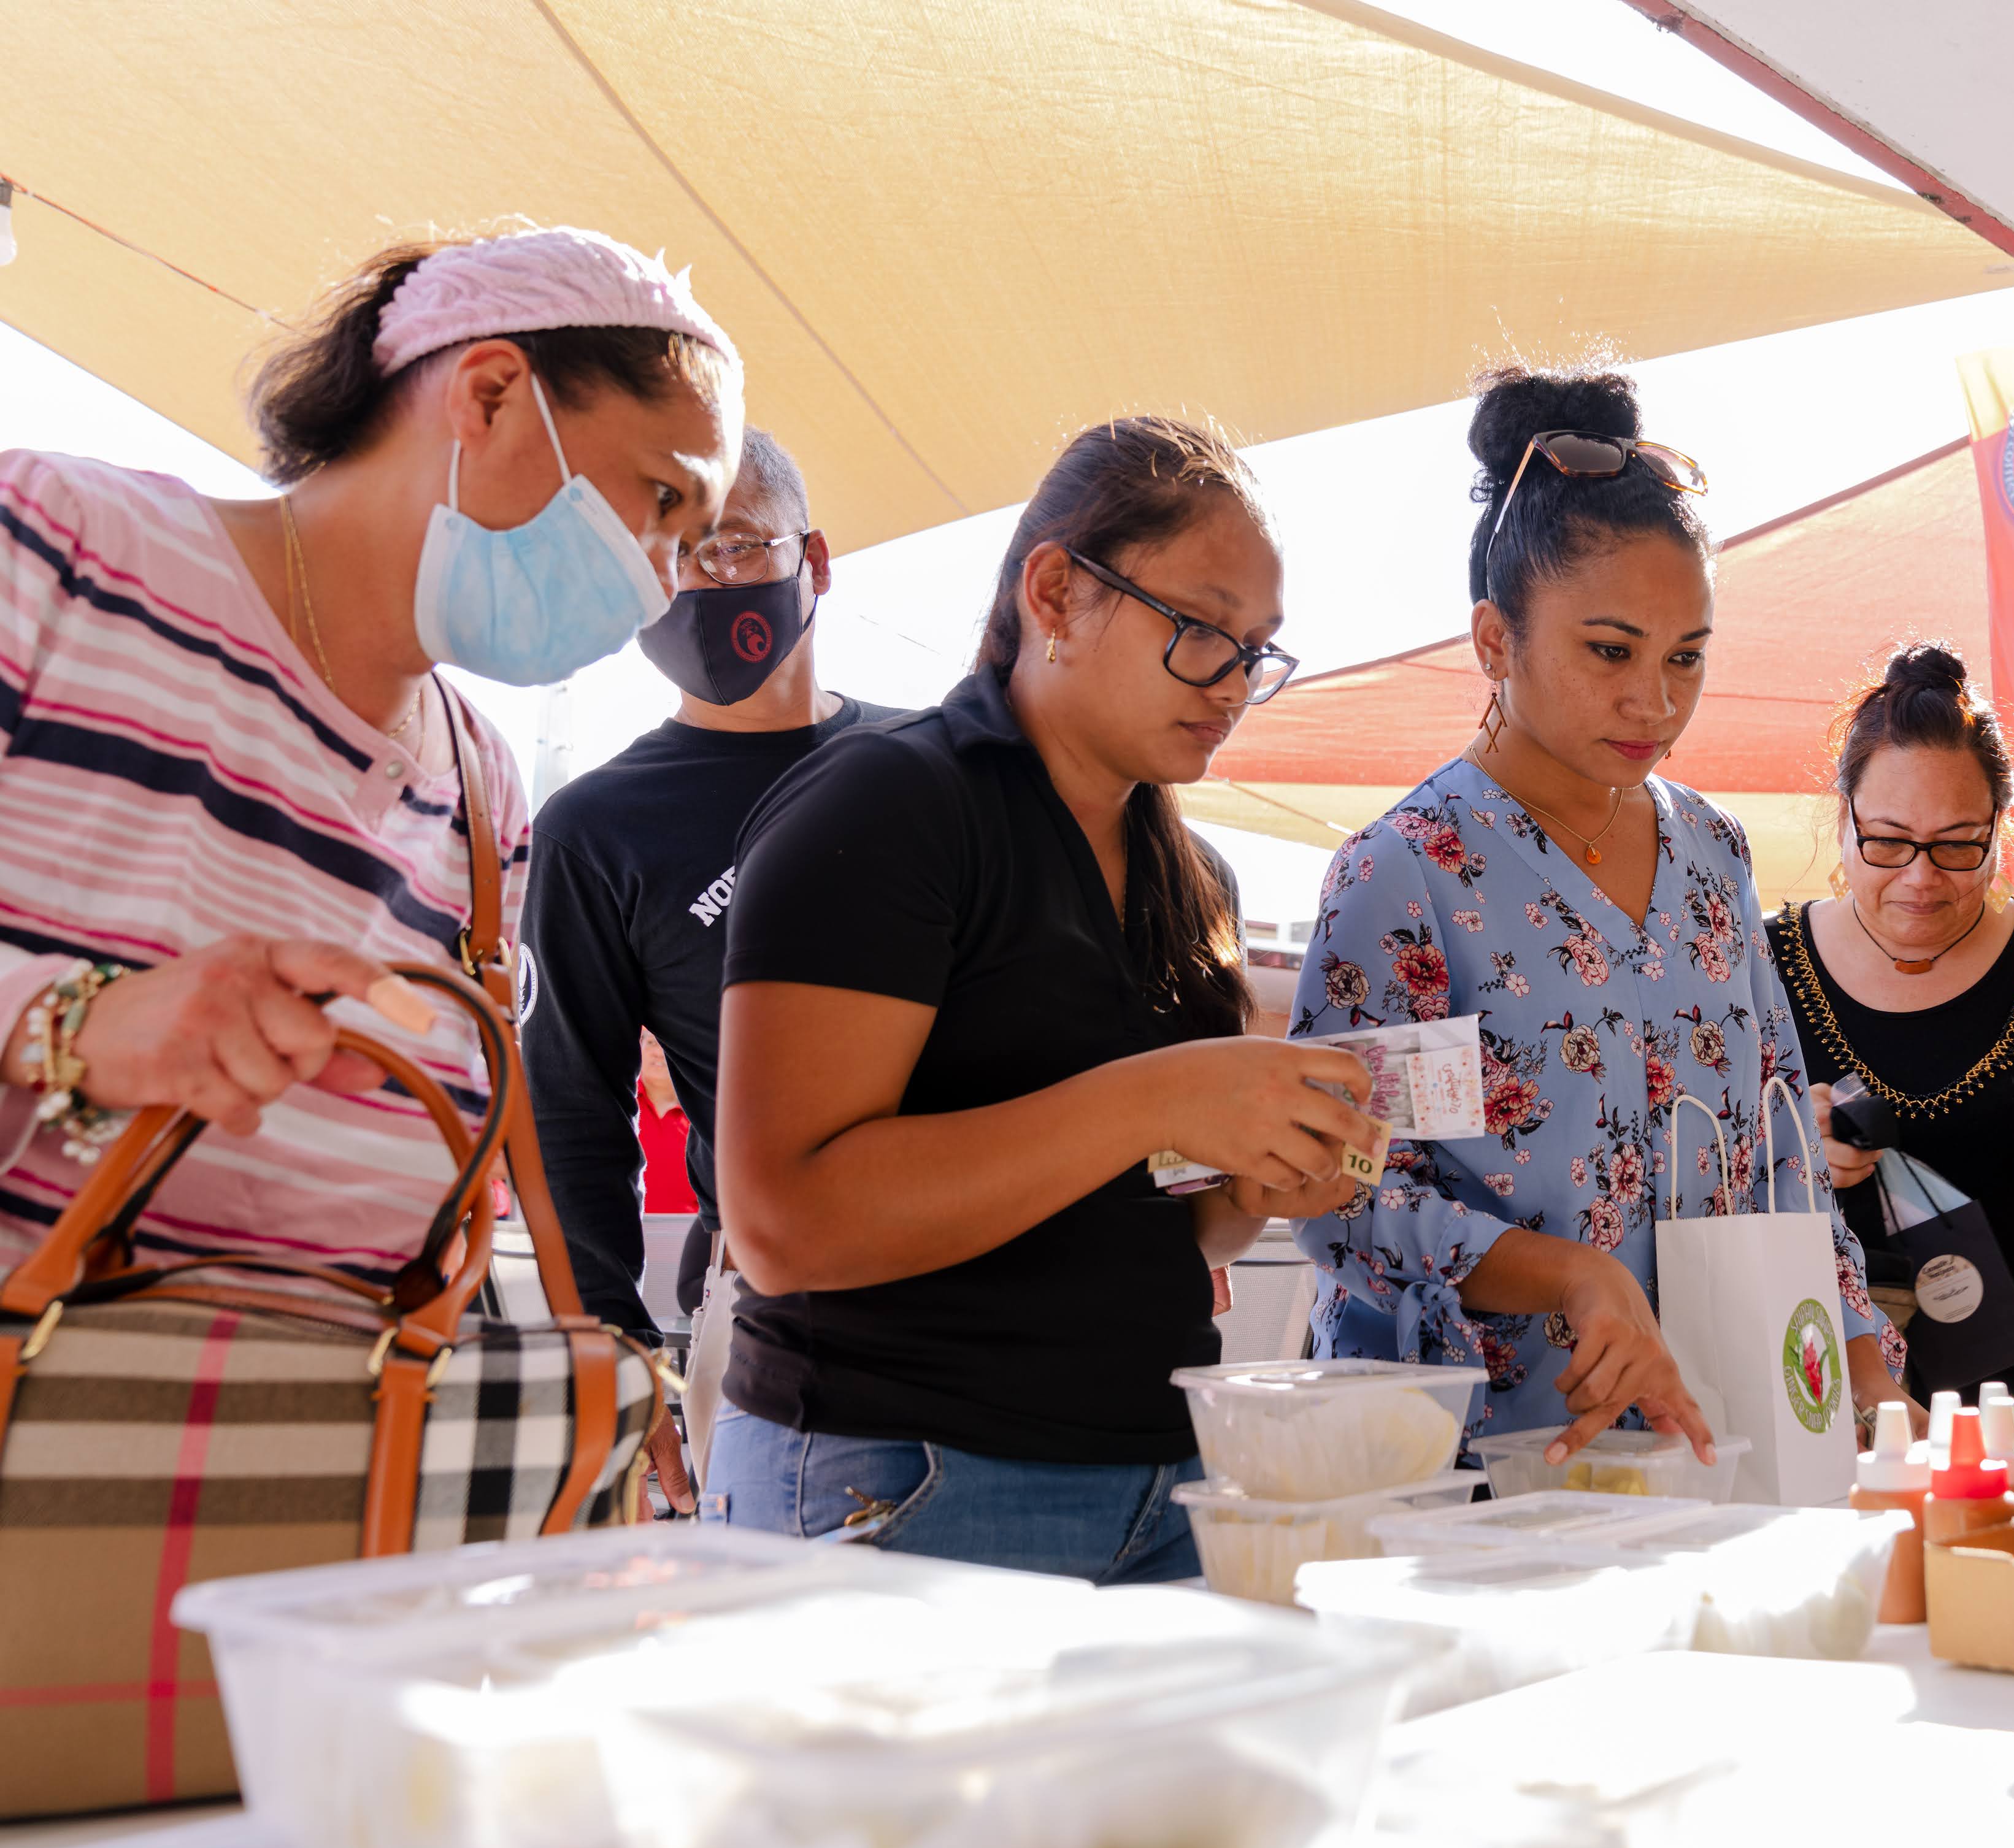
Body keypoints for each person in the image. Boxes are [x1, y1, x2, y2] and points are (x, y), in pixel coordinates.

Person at [2, 228, 732, 1324]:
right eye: (664, 503)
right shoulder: (58, 546)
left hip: (320, 1450)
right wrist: (68, 1025)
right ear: (488, 396)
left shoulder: (485, 789)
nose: (665, 583)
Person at [707, 416, 1374, 1580]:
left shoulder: (1191, 875)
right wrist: (1152, 1099)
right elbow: (779, 1222)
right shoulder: (890, 805)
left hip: (1163, 1473)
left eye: (1256, 650)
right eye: (1200, 632)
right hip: (907, 1472)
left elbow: (1182, 1221)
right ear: (1058, 593)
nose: (1230, 683)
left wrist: (1265, 1182)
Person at [1293, 365, 1907, 1463]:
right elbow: (1341, 1193)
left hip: (1719, 1442)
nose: (1654, 702)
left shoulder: (1712, 851)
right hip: (1478, 1465)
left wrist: (1861, 1374)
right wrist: (1571, 1276)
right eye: (1609, 651)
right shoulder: (1402, 875)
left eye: (1686, 658)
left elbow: (1778, 1143)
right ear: (1493, 642)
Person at [517, 426, 897, 1484]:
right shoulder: (596, 827)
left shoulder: (941, 761)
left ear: (812, 563)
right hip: (787, 1316)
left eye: (730, 546)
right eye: (663, 555)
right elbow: (566, 1110)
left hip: (1013, 1275)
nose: (696, 581)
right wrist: (608, 1346)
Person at [1770, 645, 2014, 1408]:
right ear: (1842, 815)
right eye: (1887, 840)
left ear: (2000, 827)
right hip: (1829, 1410)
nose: (1920, 877)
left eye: (1957, 845)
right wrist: (1785, 1153)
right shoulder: (1762, 969)